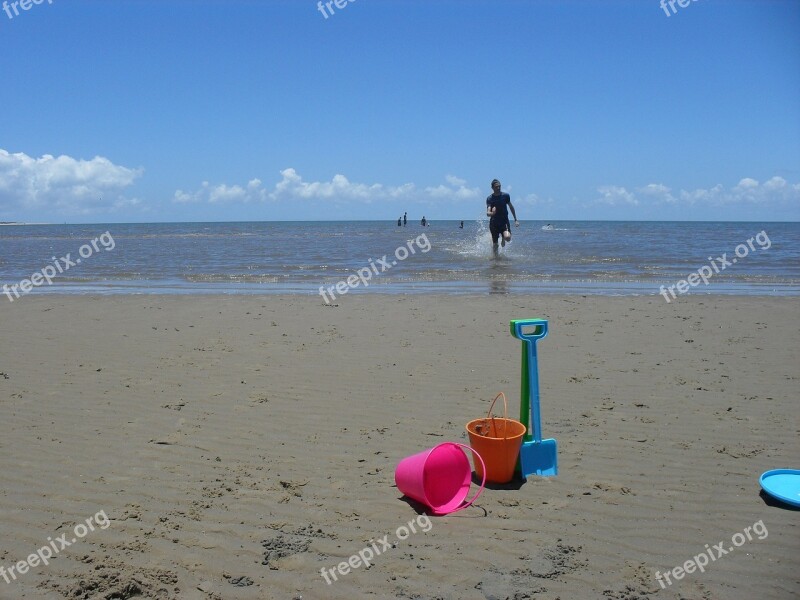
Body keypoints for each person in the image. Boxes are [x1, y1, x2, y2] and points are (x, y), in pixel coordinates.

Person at [486, 179, 519, 255]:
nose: (498, 188)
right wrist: (492, 213)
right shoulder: (490, 198)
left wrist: (515, 219)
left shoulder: (505, 196)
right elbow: (488, 213)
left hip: (504, 222)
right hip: (494, 223)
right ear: (492, 188)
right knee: (495, 244)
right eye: (496, 187)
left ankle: (503, 238)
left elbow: (511, 207)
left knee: (508, 238)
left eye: (499, 186)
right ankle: (496, 260)